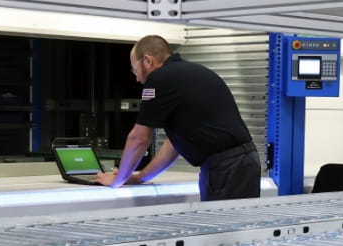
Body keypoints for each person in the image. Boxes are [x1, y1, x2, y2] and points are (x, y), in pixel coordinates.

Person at [95, 35, 261, 201]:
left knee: (225, 225)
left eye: (135, 70)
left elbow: (139, 138)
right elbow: (174, 145)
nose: (137, 78)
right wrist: (139, 177)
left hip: (226, 169)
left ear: (147, 61)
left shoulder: (159, 79)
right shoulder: (194, 72)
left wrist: (117, 180)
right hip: (244, 163)